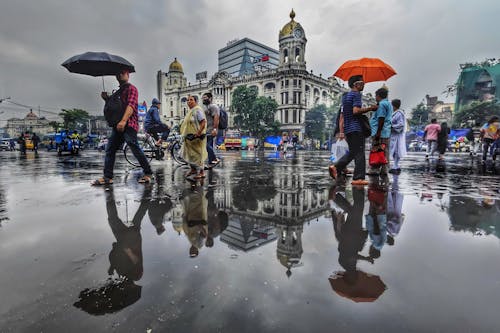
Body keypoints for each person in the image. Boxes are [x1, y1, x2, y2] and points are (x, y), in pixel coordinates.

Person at [92, 69, 153, 185]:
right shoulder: (117, 92)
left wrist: (124, 120)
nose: (120, 75)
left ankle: (148, 173)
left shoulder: (132, 89)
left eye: (122, 73)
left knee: (134, 146)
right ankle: (107, 177)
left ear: (127, 75)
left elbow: (131, 106)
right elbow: (113, 108)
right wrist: (106, 99)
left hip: (129, 124)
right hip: (117, 125)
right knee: (110, 149)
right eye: (118, 73)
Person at [329, 75, 377, 186]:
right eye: (362, 83)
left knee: (352, 152)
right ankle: (358, 178)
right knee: (360, 152)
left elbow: (343, 115)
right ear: (356, 84)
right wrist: (371, 108)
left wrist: (342, 130)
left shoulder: (345, 97)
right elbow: (356, 111)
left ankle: (336, 167)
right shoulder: (356, 95)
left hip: (349, 129)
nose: (364, 84)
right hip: (356, 128)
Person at [180, 95, 207, 179]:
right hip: (189, 137)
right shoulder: (190, 111)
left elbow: (203, 122)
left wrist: (198, 133)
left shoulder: (197, 110)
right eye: (187, 100)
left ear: (195, 101)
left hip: (196, 137)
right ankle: (193, 169)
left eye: (191, 100)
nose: (189, 101)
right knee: (189, 154)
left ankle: (202, 172)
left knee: (198, 153)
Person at [368, 88, 393, 176]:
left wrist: (378, 132)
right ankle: (384, 170)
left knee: (377, 149)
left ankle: (375, 169)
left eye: (376, 96)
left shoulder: (382, 104)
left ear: (378, 95)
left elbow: (381, 118)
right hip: (386, 131)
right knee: (384, 150)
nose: (375, 98)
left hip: (380, 132)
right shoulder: (389, 104)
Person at [201, 92, 220, 167]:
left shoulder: (213, 106)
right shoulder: (206, 107)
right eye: (203, 97)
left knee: (206, 145)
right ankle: (210, 161)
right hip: (206, 129)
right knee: (209, 145)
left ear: (210, 98)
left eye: (205, 97)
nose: (204, 99)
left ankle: (214, 158)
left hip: (211, 129)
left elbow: (216, 117)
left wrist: (215, 129)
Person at [389, 99, 406, 174]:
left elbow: (401, 124)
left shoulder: (399, 113)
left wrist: (392, 126)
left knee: (396, 151)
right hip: (394, 134)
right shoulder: (395, 113)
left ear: (393, 105)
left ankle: (395, 166)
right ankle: (396, 165)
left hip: (396, 134)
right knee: (394, 150)